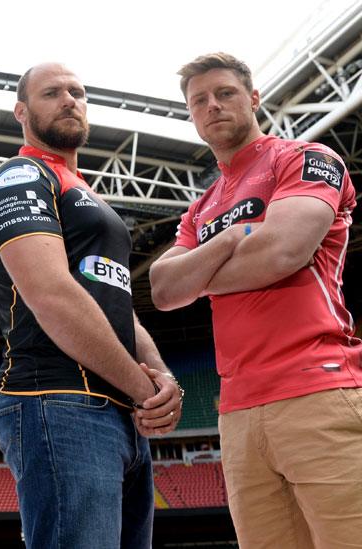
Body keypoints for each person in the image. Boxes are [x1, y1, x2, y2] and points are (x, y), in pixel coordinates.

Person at [150, 53, 362, 548]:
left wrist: (199, 273)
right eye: (199, 100)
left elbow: (282, 252)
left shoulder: (305, 158)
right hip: (238, 412)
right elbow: (162, 290)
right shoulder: (200, 208)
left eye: (225, 93)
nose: (213, 106)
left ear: (253, 98)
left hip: (318, 389)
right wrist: (229, 240)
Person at [0, 62, 183, 549]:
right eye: (52, 93)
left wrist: (161, 376)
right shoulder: (20, 175)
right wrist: (142, 387)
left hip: (117, 411)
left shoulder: (84, 190)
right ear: (22, 112)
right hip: (57, 400)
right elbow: (50, 293)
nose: (69, 99)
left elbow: (117, 301)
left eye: (78, 92)